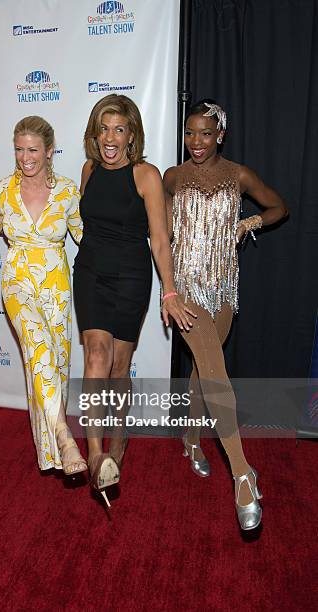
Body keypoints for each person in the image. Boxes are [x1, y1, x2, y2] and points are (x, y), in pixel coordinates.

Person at [163, 99, 288, 530]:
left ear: (220, 135)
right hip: (187, 290)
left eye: (205, 133)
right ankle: (242, 473)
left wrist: (246, 224)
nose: (196, 142)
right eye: (190, 132)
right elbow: (158, 231)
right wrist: (169, 284)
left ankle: (192, 438)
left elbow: (279, 208)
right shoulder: (172, 177)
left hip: (225, 290)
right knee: (217, 375)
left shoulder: (239, 174)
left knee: (204, 368)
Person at [74, 94, 196, 507]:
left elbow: (160, 240)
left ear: (131, 136)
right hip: (89, 272)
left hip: (130, 276)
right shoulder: (88, 170)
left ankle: (120, 445)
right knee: (95, 356)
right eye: (104, 128)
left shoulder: (146, 175)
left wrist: (170, 289)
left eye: (119, 130)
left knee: (119, 367)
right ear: (96, 133)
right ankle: (95, 456)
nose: (110, 137)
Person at [0, 116, 87, 477]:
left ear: (49, 151)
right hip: (17, 280)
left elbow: (85, 237)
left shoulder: (67, 190)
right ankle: (63, 436)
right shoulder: (1, 190)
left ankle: (51, 454)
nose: (25, 157)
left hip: (57, 284)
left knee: (52, 363)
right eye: (18, 149)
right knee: (39, 348)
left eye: (32, 149)